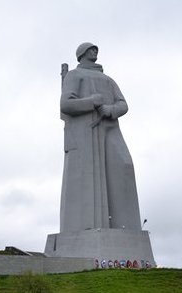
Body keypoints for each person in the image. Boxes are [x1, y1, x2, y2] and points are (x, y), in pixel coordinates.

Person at [59, 42, 143, 233]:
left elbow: (123, 104)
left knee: (124, 166)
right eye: (90, 49)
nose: (95, 51)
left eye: (95, 48)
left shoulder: (108, 80)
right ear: (81, 54)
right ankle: (87, 227)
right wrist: (92, 102)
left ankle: (128, 228)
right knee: (88, 179)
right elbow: (65, 104)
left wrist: (110, 109)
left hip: (110, 128)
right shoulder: (74, 75)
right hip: (84, 133)